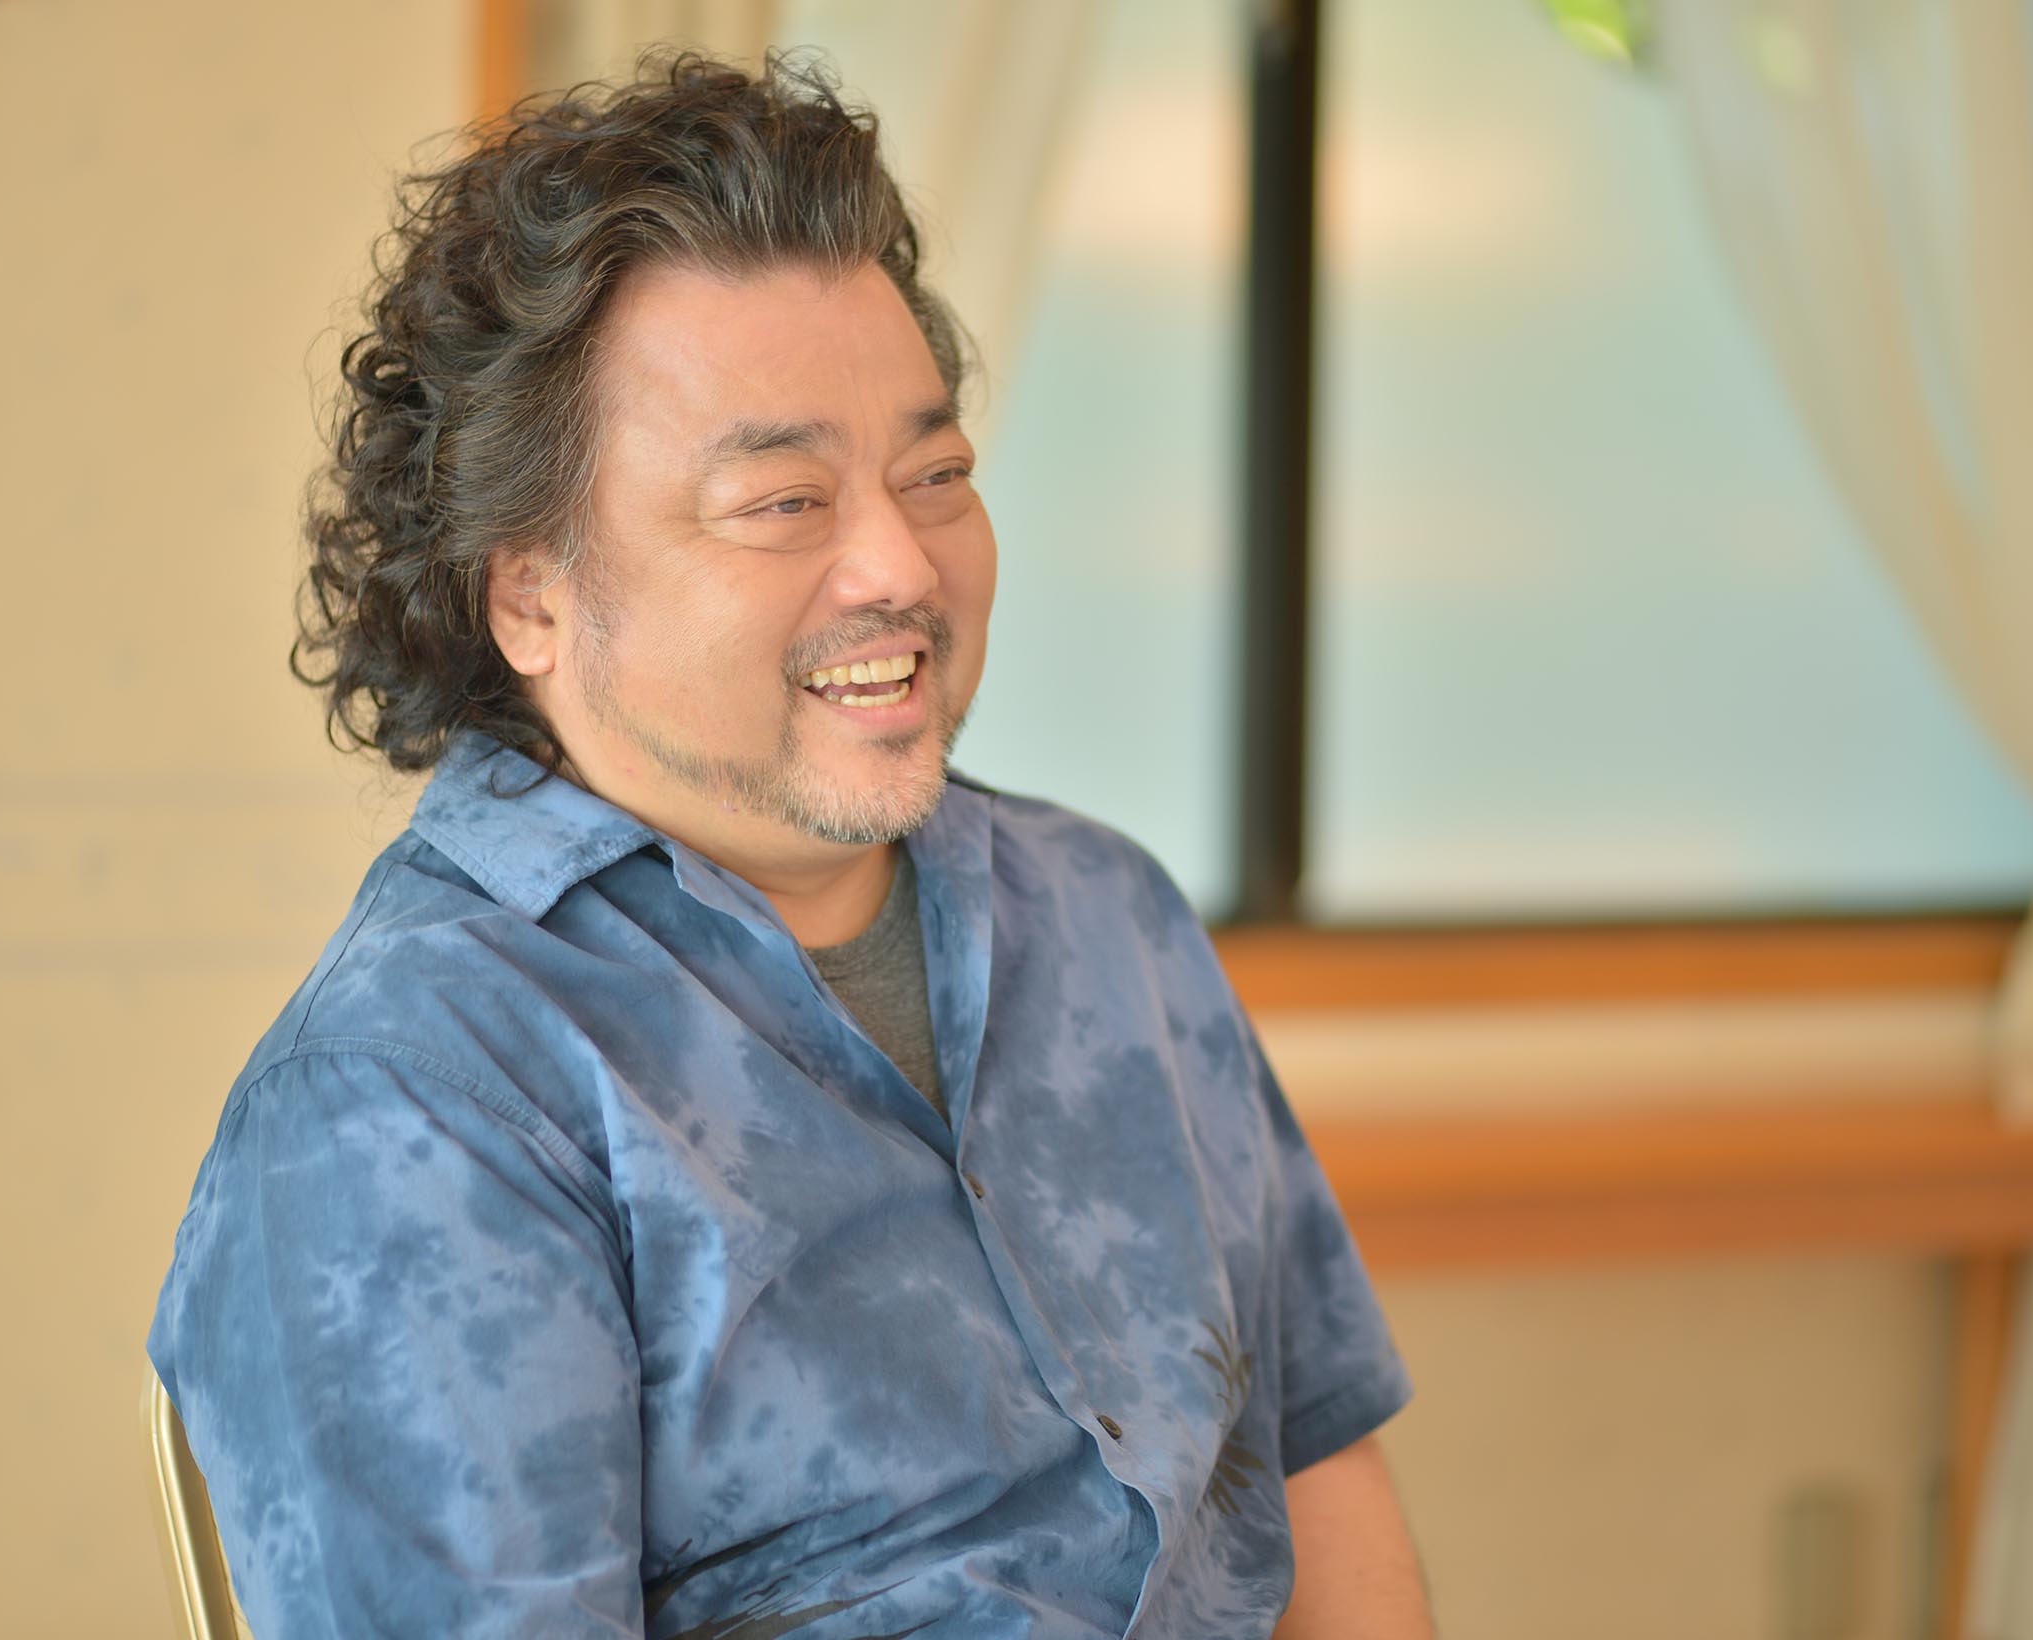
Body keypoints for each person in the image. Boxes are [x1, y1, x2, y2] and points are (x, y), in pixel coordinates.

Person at [147, 50, 1432, 1639]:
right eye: (783, 502)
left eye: (935, 475)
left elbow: (1313, 1470)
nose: (903, 565)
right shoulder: (417, 1093)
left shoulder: (1107, 913)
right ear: (531, 593)